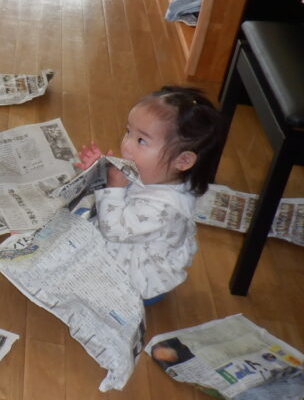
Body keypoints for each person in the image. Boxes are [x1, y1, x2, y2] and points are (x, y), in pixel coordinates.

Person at [75, 86, 225, 302]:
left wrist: (113, 188)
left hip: (139, 276)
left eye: (141, 141)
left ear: (183, 161)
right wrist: (100, 169)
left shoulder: (166, 207)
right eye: (128, 132)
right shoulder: (158, 172)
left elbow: (113, 230)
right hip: (128, 234)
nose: (126, 146)